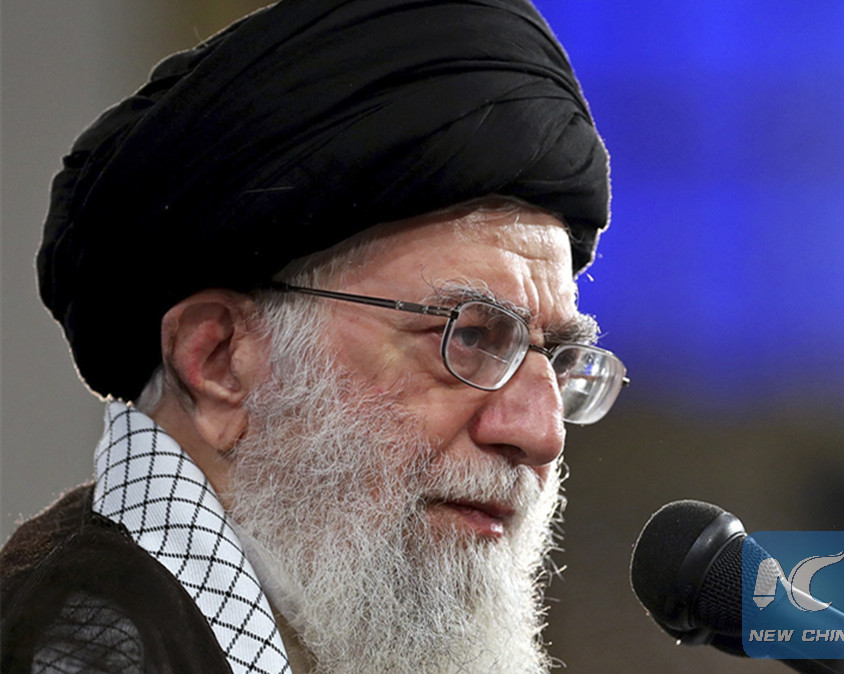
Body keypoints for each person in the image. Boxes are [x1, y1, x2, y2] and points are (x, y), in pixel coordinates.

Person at [0, 1, 627, 672]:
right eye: (470, 337)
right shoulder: (85, 648)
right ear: (219, 361)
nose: (542, 433)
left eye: (555, 358)